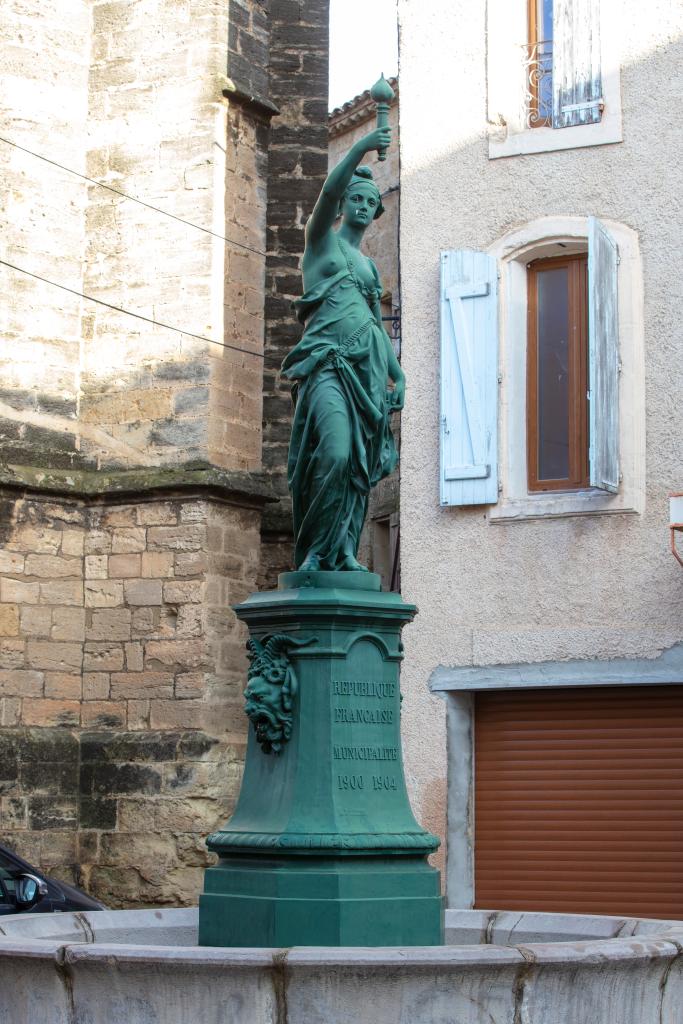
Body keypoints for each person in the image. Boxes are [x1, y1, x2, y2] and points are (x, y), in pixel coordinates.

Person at [281, 125, 405, 572]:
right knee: (333, 453)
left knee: (357, 465)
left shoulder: (370, 268)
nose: (362, 205)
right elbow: (329, 191)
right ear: (344, 204)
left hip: (368, 367)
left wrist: (399, 374)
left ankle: (345, 552)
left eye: (371, 203)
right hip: (328, 366)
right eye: (357, 198)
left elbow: (375, 323)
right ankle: (316, 550)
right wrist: (362, 147)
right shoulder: (321, 245)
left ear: (375, 214)